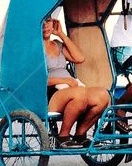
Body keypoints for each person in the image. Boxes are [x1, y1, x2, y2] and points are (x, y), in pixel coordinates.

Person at [43, 16, 111, 149]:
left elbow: (80, 58)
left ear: (54, 23)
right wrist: (66, 81)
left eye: (49, 21)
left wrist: (61, 35)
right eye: (43, 22)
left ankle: (80, 135)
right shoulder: (35, 48)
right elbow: (38, 80)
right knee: (80, 93)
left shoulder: (57, 44)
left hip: (71, 90)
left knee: (103, 95)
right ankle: (62, 136)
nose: (46, 25)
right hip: (50, 94)